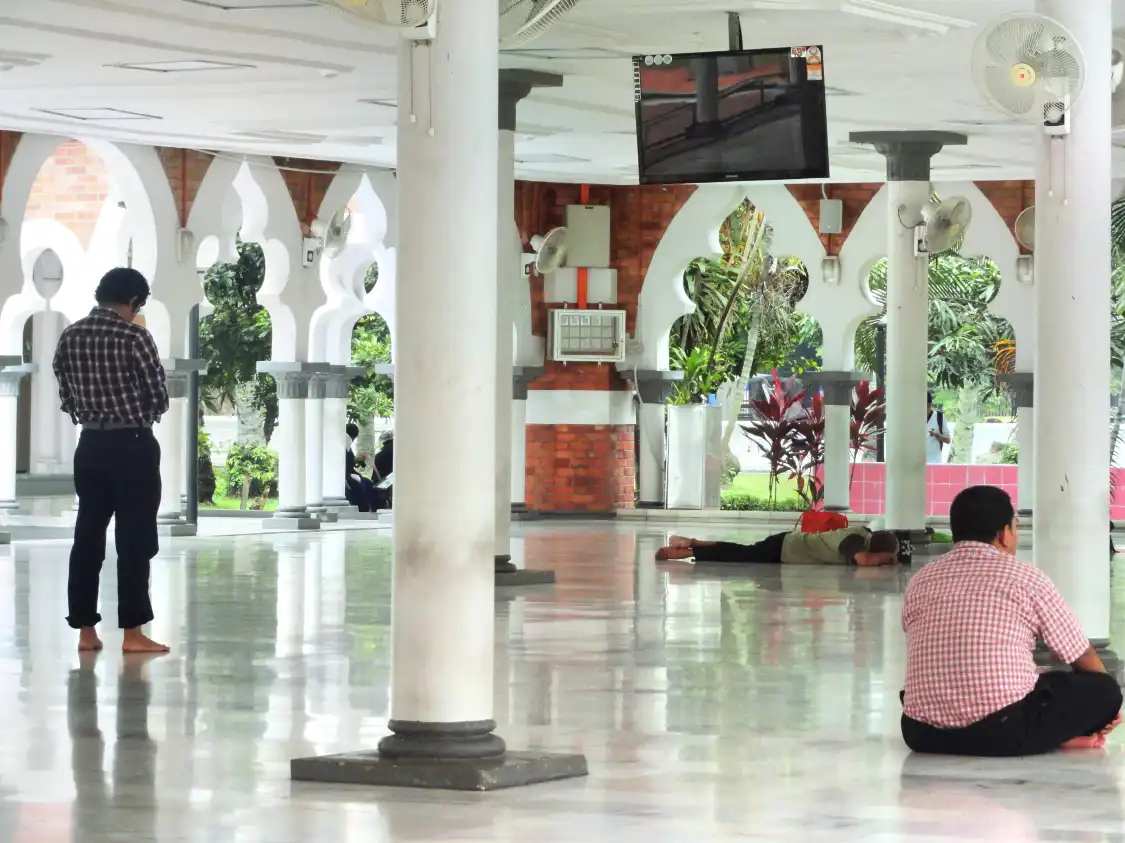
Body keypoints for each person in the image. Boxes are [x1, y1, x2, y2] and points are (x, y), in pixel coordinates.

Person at [901, 485, 1122, 756]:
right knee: (1104, 689)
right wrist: (1106, 705)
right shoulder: (1026, 578)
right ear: (1004, 534)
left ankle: (1053, 736)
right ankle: (1055, 736)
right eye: (1015, 528)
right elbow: (1080, 653)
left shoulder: (921, 579)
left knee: (1036, 679)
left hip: (922, 733)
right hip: (1004, 733)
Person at [53, 267, 170, 655]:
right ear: (133, 301)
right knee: (134, 540)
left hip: (90, 446)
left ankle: (86, 632)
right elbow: (159, 398)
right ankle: (133, 634)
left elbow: (66, 395)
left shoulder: (70, 337)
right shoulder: (135, 336)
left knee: (87, 537)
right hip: (133, 445)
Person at [655, 526, 901, 567]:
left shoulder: (862, 535)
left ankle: (692, 544)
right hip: (785, 547)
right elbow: (863, 561)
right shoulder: (857, 540)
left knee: (742, 552)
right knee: (741, 557)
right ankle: (685, 552)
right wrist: (885, 562)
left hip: (786, 546)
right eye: (886, 556)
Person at [344, 423, 377, 511]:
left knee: (367, 482)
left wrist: (361, 459)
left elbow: (351, 460)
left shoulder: (347, 446)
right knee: (362, 484)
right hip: (346, 474)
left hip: (350, 472)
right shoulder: (345, 444)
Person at [926, 392, 951, 464]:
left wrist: (936, 435)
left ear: (929, 404)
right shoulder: (913, 418)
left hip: (935, 462)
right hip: (916, 465)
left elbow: (948, 440)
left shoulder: (939, 417)